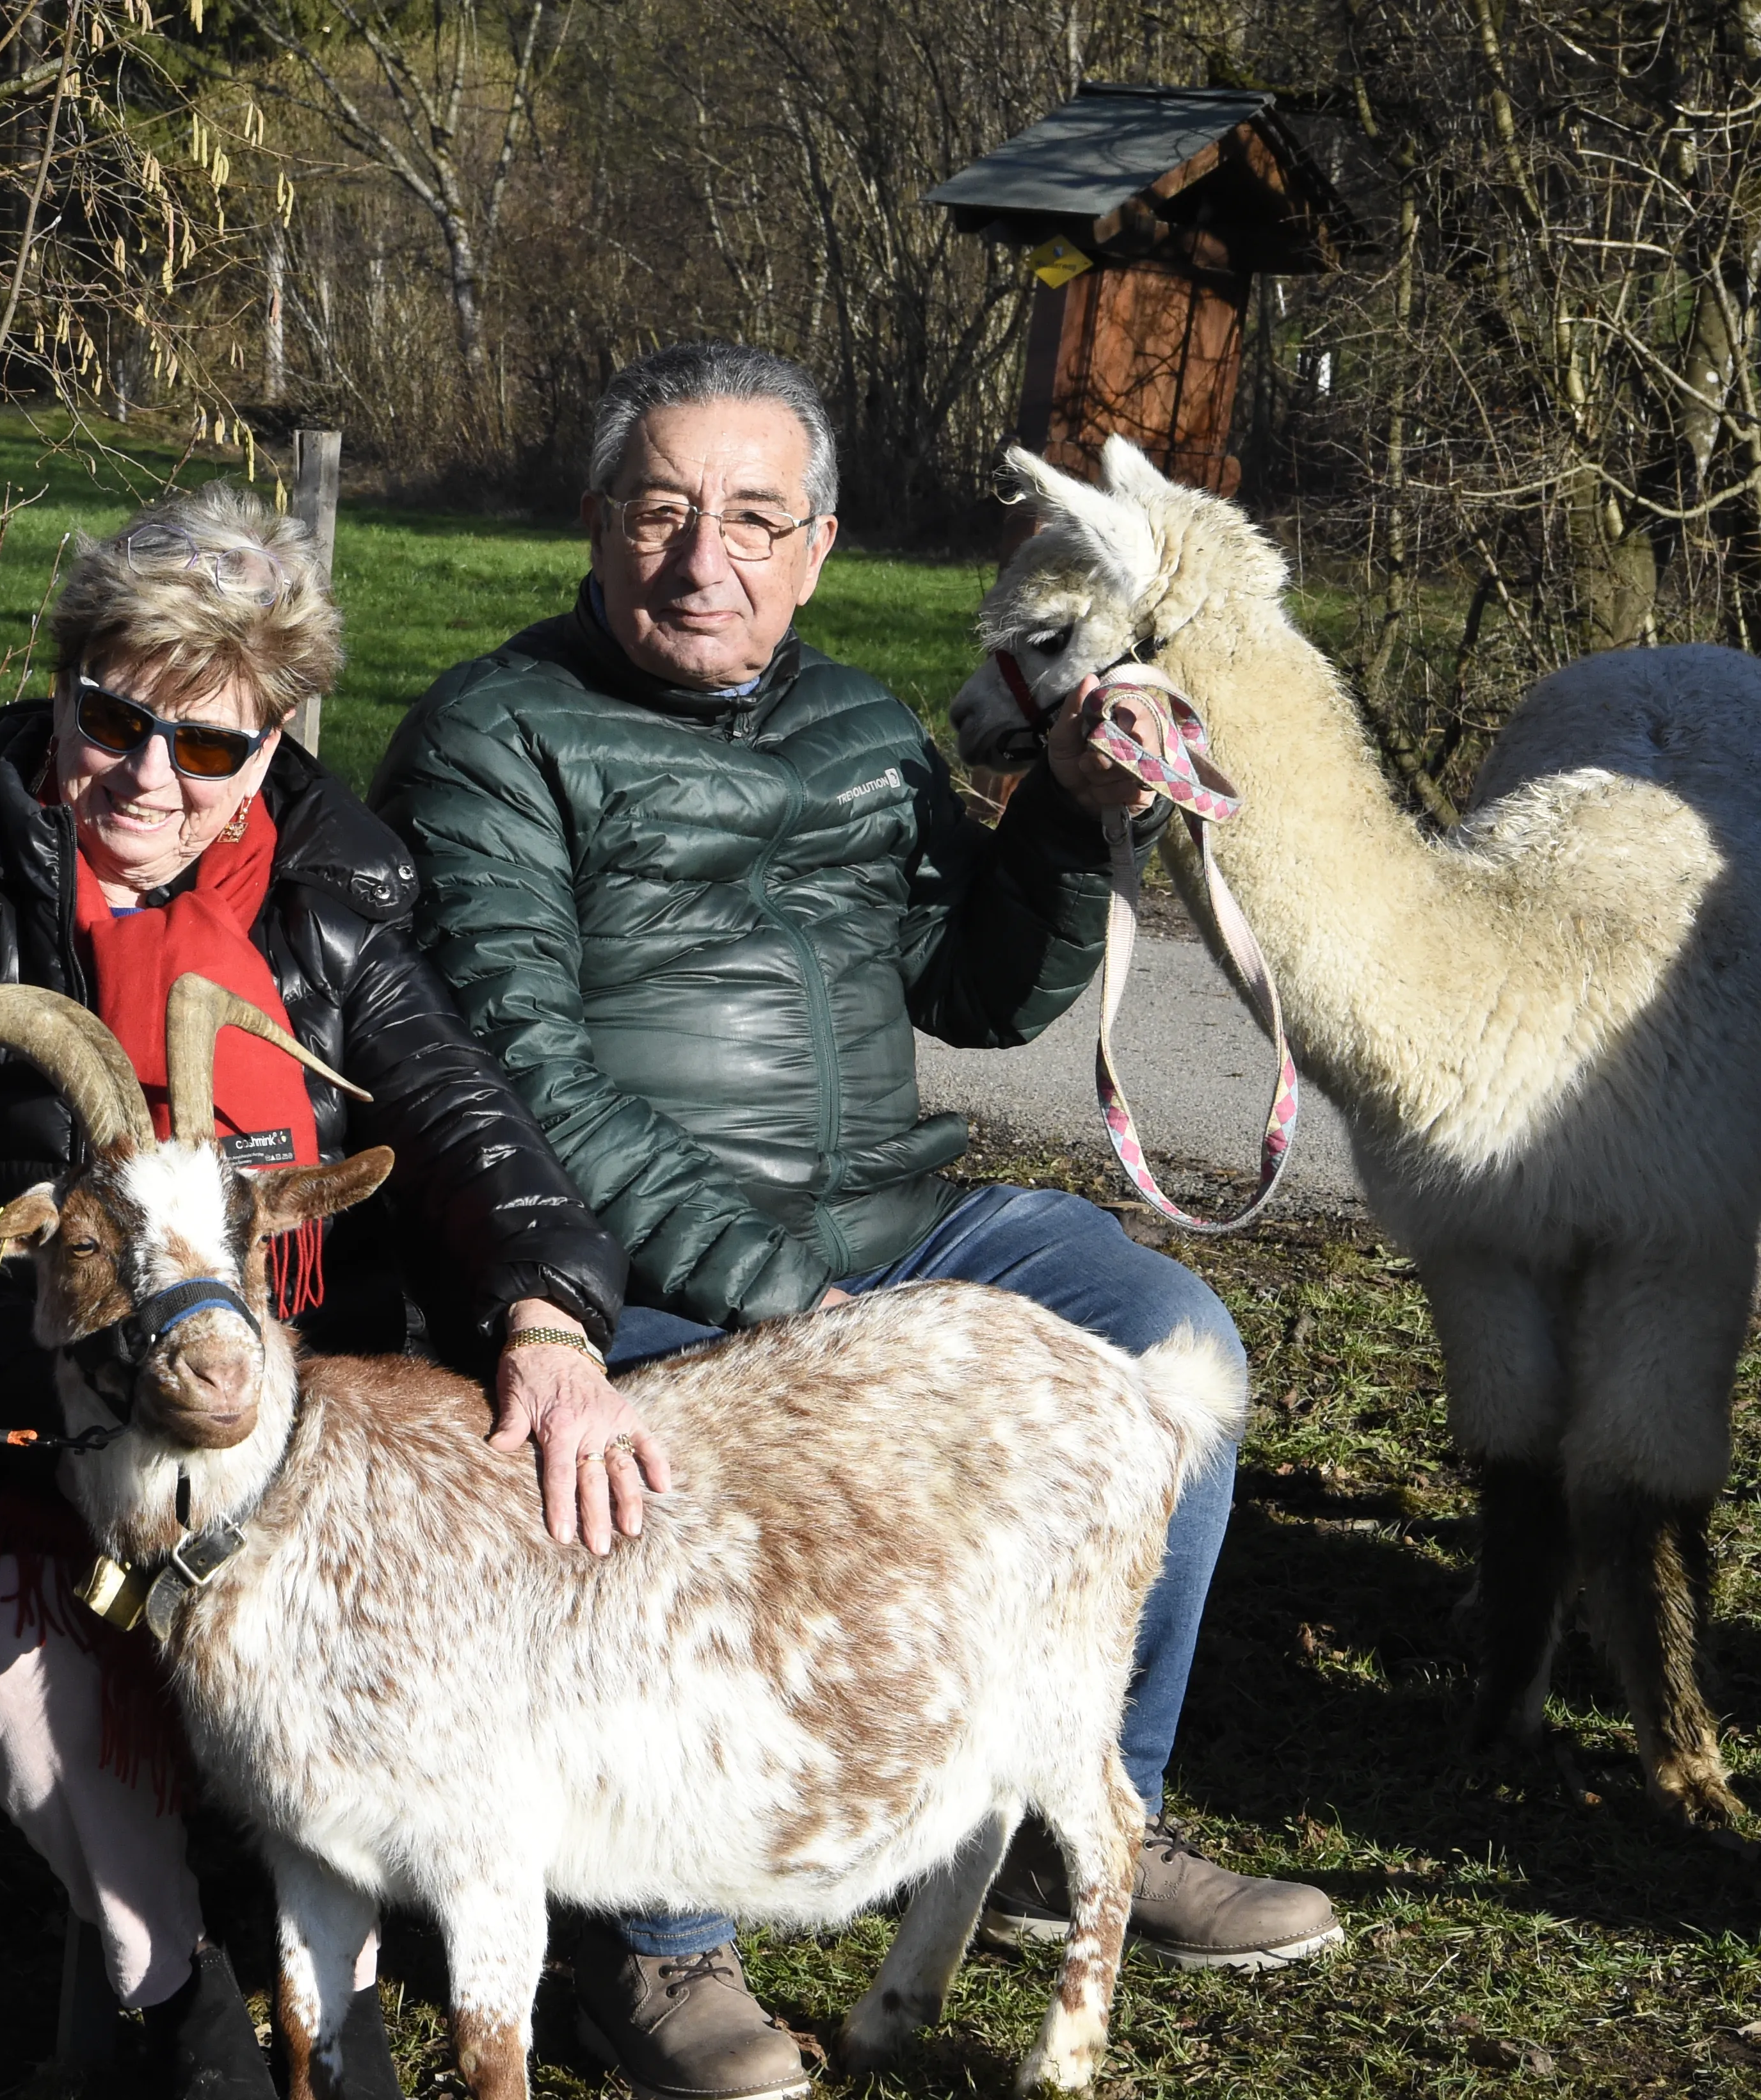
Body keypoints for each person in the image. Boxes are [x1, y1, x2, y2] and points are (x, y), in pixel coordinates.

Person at [369, 344, 1341, 2100]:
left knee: (1166, 1349)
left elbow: (973, 992)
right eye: (662, 514)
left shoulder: (857, 729)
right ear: (597, 527)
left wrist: (1064, 812)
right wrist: (780, 1295)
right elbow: (521, 1076)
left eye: (754, 520)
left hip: (892, 1220)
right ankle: (656, 1953)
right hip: (621, 1259)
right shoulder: (489, 739)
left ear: (816, 547)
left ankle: (1086, 1815)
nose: (702, 559)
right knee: (648, 1467)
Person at [0, 484, 632, 2098]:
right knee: (24, 1628)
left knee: (385, 1588)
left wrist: (542, 1299)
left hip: (290, 1413)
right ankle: (177, 2003)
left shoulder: (329, 887)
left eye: (211, 749)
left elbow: (460, 1114)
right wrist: (86, 1374)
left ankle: (359, 1991)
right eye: (116, 722)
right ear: (65, 692)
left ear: (268, 756)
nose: (151, 780)